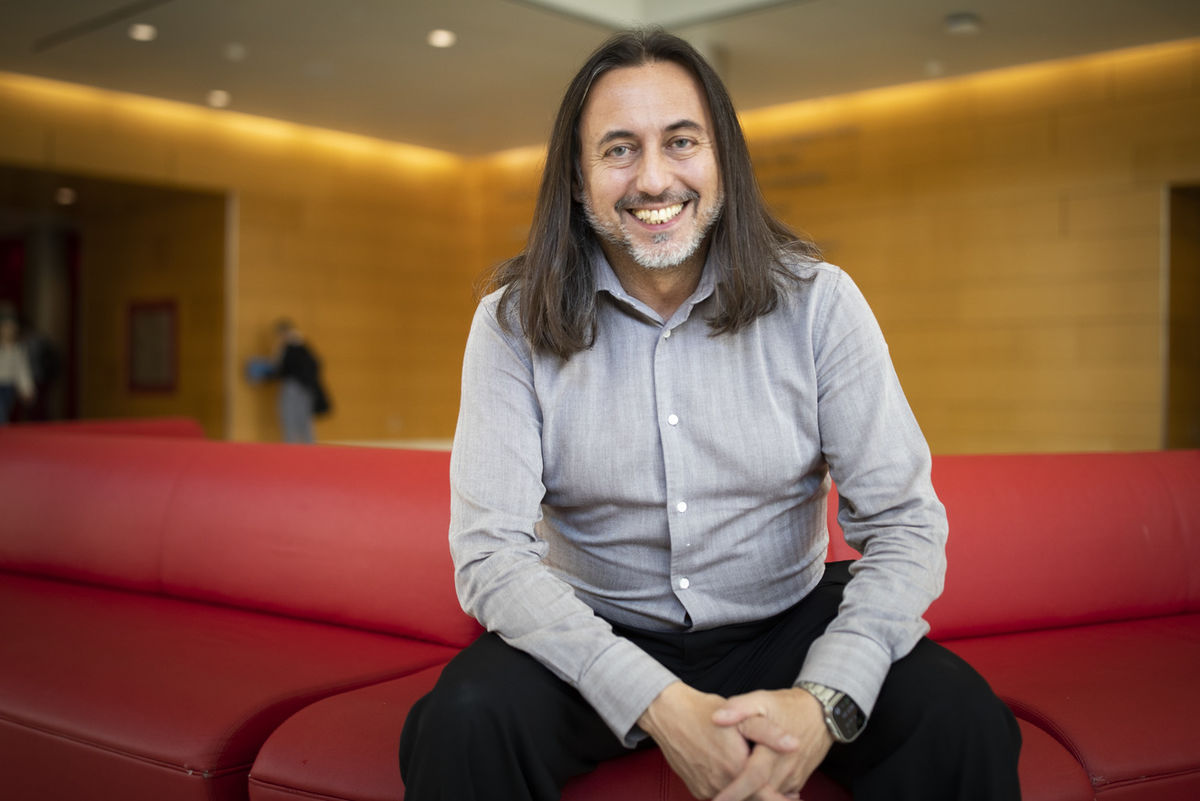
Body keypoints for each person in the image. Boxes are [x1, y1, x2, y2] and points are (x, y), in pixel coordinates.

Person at [399, 28, 1020, 801]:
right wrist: (659, 703)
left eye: (681, 141)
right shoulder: (510, 324)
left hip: (787, 624)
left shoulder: (821, 302)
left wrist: (823, 700)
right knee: (460, 720)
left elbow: (906, 525)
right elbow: (490, 553)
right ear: (577, 176)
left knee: (960, 718)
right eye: (619, 149)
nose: (654, 179)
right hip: (597, 625)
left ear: (723, 155)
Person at [264, 318, 328, 444]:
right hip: (307, 388)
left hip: (293, 388)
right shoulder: (304, 346)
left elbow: (279, 367)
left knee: (290, 420)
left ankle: (293, 449)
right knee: (304, 421)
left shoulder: (290, 347)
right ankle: (308, 448)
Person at [0, 309, 35, 425]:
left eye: (11, 327)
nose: (8, 331)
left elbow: (22, 370)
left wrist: (27, 389)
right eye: (5, 327)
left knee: (6, 409)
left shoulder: (17, 350)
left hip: (9, 386)